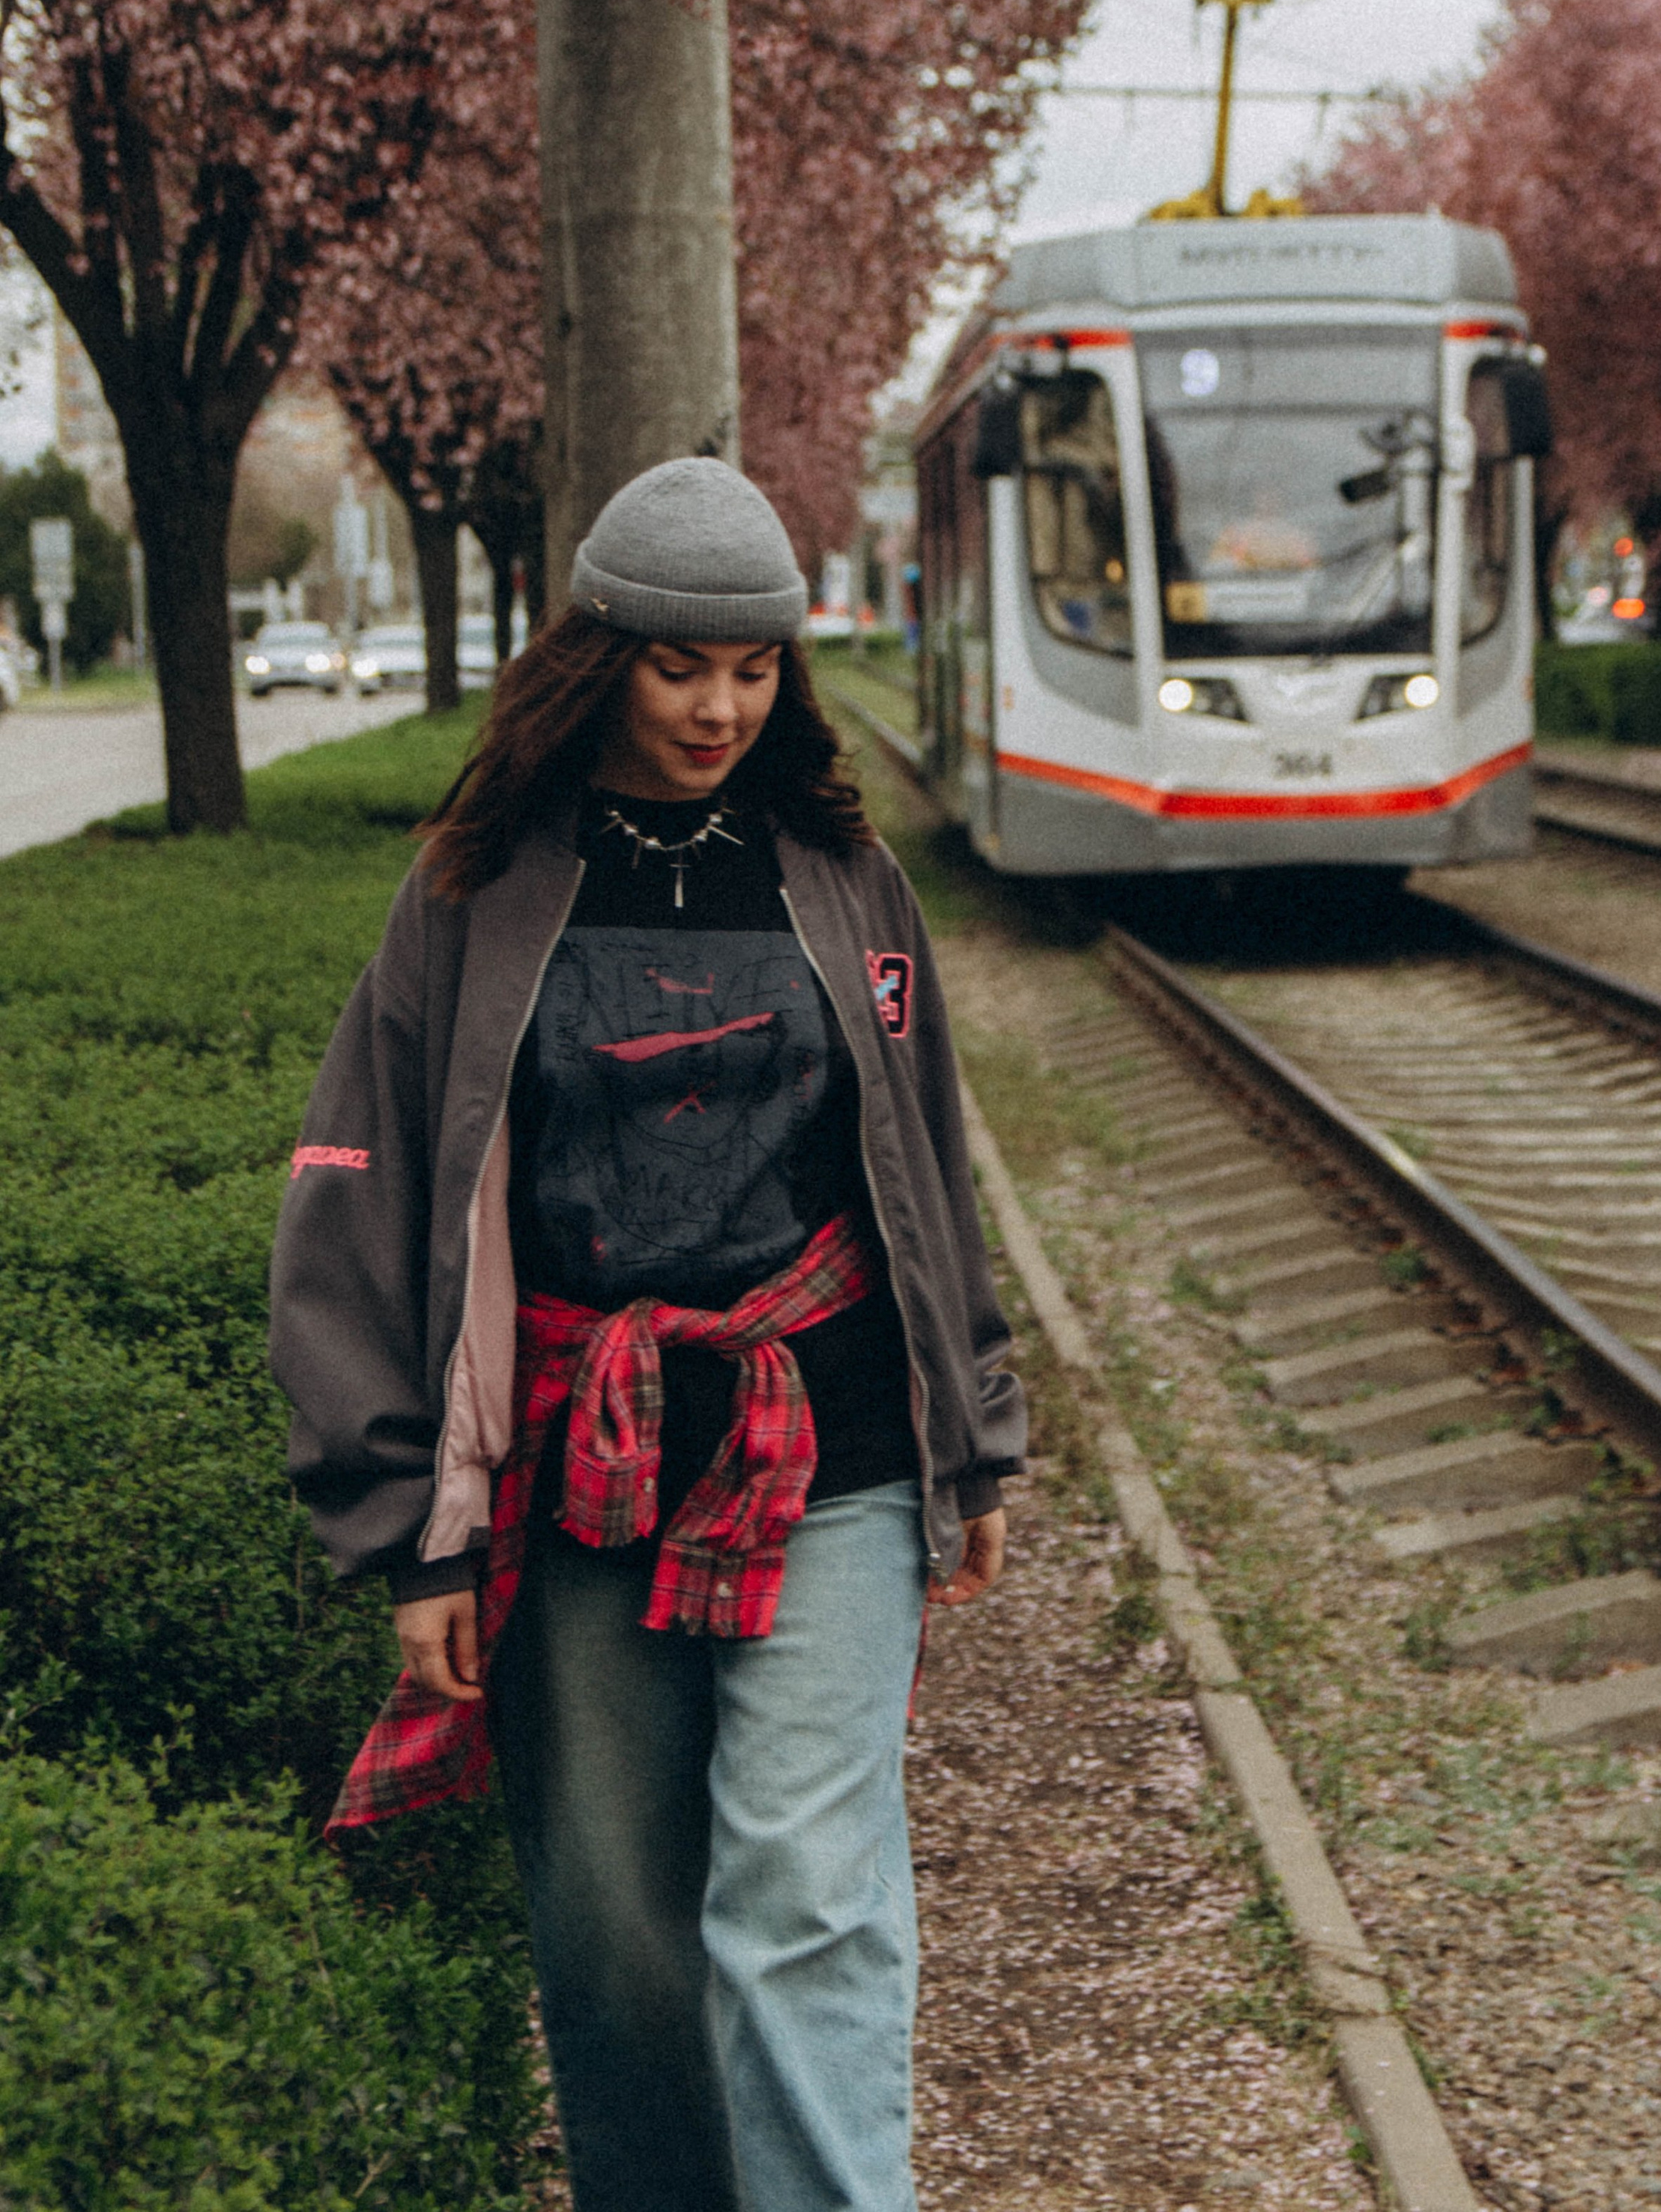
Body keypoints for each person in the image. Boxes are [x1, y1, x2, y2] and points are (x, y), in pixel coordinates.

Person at [270, 456, 1025, 2212]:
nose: (718, 706)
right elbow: (354, 1195)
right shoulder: (472, 890)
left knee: (802, 1900)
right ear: (597, 656)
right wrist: (407, 1534)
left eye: (753, 668)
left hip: (825, 1447)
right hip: (577, 1475)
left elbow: (922, 1152)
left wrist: (970, 1426)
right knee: (612, 1931)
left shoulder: (838, 874)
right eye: (682, 666)